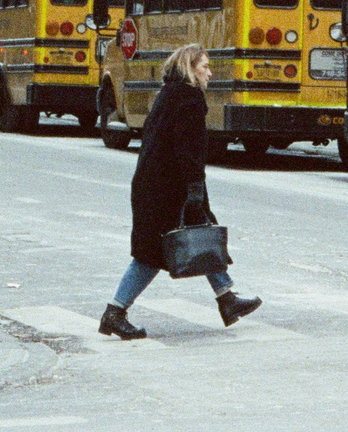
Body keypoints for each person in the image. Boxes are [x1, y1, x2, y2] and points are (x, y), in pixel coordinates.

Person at [100, 43, 261, 339]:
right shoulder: (189, 99)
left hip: (156, 185)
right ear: (190, 68)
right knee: (150, 256)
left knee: (202, 235)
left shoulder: (169, 94)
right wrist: (195, 191)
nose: (210, 73)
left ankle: (227, 299)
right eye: (205, 67)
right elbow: (188, 150)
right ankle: (114, 312)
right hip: (167, 189)